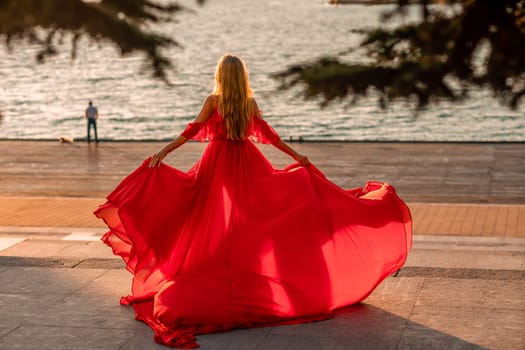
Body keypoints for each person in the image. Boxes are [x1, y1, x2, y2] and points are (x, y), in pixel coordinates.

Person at [94, 54, 412, 348]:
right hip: (248, 163)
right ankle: (253, 277)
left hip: (217, 165)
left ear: (220, 76)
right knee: (254, 222)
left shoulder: (213, 101)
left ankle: (223, 275)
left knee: (205, 220)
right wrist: (296, 155)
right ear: (242, 78)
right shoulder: (249, 102)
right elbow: (270, 136)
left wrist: (164, 152)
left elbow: (192, 131)